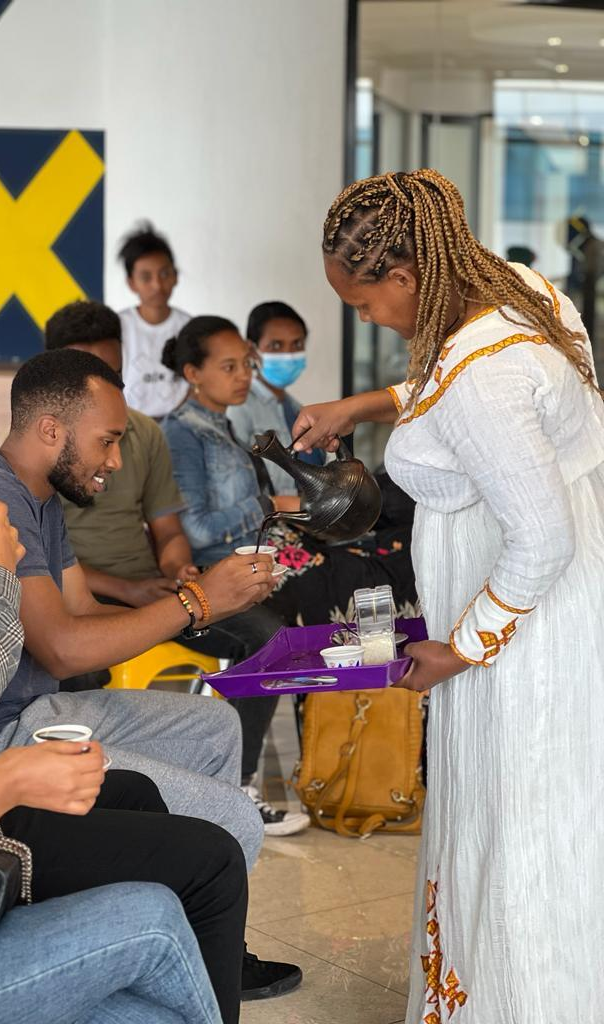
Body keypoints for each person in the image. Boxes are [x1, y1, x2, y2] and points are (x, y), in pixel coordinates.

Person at [0, 354, 292, 1013]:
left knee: (144, 794)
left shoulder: (3, 511)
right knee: (210, 854)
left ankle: (193, 962)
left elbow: (64, 618)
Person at [291, 168, 604, 1024]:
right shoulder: (516, 290)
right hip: (557, 612)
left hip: (517, 637)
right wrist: (370, 401)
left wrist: (463, 648)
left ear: (404, 276)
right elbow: (460, 383)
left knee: (520, 832)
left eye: (360, 304)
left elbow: (542, 537)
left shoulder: (480, 383)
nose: (364, 318)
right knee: (551, 821)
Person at [44, 299, 309, 837]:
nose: (100, 386)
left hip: (151, 585)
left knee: (267, 636)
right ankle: (91, 803)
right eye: (84, 373)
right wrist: (132, 589)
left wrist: (181, 569)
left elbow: (167, 529)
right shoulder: (47, 442)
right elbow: (49, 561)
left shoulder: (144, 433)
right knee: (77, 669)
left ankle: (238, 785)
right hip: (83, 591)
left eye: (110, 372)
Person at [160, 317, 418, 628]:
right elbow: (197, 530)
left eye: (246, 364)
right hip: (237, 567)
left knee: (398, 546)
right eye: (230, 367)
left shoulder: (221, 426)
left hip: (272, 547)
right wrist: (272, 505)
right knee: (377, 573)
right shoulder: (182, 433)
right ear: (193, 373)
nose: (244, 376)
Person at [227, 300, 325, 496]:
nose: (288, 355)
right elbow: (234, 484)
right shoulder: (239, 408)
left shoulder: (297, 409)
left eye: (297, 344)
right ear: (253, 350)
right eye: (276, 346)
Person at [117, 222, 191, 418]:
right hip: (128, 425)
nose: (157, 285)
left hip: (179, 424)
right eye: (146, 277)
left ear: (176, 276)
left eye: (165, 273)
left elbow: (198, 383)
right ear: (131, 283)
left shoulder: (189, 328)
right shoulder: (116, 327)